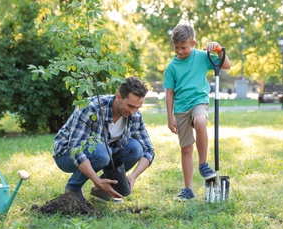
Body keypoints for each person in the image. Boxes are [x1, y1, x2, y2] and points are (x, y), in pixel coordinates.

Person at [53, 77, 155, 204]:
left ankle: (101, 189)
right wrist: (96, 179)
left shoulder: (135, 116)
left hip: (103, 153)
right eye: (130, 106)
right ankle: (72, 190)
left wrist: (133, 176)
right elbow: (76, 148)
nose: (133, 112)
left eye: (137, 108)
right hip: (66, 155)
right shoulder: (91, 108)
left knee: (136, 148)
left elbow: (148, 150)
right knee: (101, 153)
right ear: (119, 96)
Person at [163, 24, 231, 200]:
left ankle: (203, 164)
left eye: (183, 47)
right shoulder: (172, 66)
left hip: (199, 101)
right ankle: (188, 189)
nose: (180, 51)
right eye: (176, 47)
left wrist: (217, 48)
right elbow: (169, 92)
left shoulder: (202, 57)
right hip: (181, 109)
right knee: (186, 149)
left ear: (193, 43)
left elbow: (226, 65)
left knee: (200, 121)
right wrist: (170, 117)